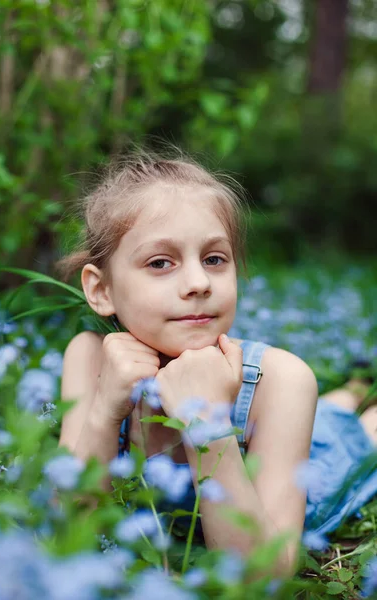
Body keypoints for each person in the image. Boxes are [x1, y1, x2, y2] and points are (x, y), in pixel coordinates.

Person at [58, 151, 377, 578]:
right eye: (160, 263)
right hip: (284, 436)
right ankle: (348, 391)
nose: (198, 283)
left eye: (214, 259)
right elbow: (63, 528)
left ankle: (359, 401)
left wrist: (206, 423)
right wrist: (103, 412)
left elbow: (266, 573)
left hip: (290, 476)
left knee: (349, 436)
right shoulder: (88, 355)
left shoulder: (282, 379)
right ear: (101, 290)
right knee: (329, 417)